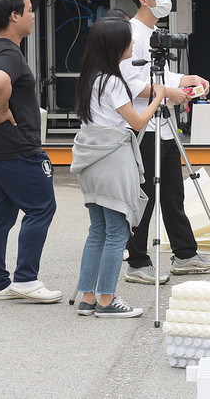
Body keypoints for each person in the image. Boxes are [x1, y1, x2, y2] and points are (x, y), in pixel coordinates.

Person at [118, 0, 210, 283]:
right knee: (144, 196)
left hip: (163, 127)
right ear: (144, 0)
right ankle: (137, 261)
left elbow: (160, 75)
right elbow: (132, 83)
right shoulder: (130, 35)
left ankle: (185, 254)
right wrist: (168, 92)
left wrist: (188, 81)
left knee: (173, 193)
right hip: (142, 127)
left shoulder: (156, 33)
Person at [71, 17, 167, 318]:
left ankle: (87, 297)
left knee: (97, 230)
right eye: (127, 40)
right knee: (116, 232)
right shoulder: (113, 80)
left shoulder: (90, 78)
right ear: (115, 47)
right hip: (112, 159)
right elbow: (138, 122)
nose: (131, 45)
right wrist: (159, 96)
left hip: (90, 159)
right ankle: (107, 300)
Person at [0, 0, 61, 303]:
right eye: (28, 10)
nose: (33, 14)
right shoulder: (9, 53)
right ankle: (26, 279)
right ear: (14, 16)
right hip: (17, 149)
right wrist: (1, 107)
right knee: (42, 208)